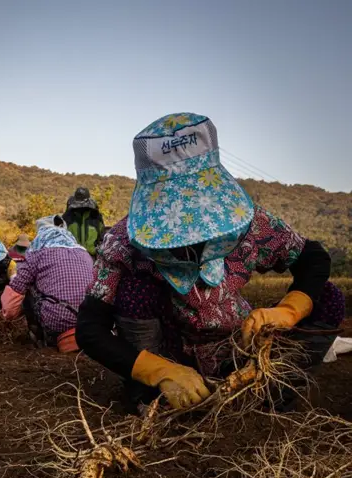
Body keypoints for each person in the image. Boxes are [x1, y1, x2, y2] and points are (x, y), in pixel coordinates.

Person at [76, 113, 345, 413]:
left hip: (237, 346)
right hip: (170, 355)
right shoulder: (123, 243)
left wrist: (287, 311)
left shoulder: (250, 225)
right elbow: (90, 329)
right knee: (135, 288)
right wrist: (159, 371)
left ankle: (271, 390)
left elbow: (313, 258)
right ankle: (154, 399)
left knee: (328, 298)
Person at [1, 215, 93, 352]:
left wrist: (9, 315)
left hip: (58, 320)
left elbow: (14, 296)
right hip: (90, 319)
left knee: (27, 289)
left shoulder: (36, 254)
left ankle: (43, 339)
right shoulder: (85, 253)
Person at [63, 187, 105, 257]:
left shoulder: (95, 216)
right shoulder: (67, 216)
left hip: (92, 257)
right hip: (71, 256)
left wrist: (97, 251)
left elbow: (102, 237)